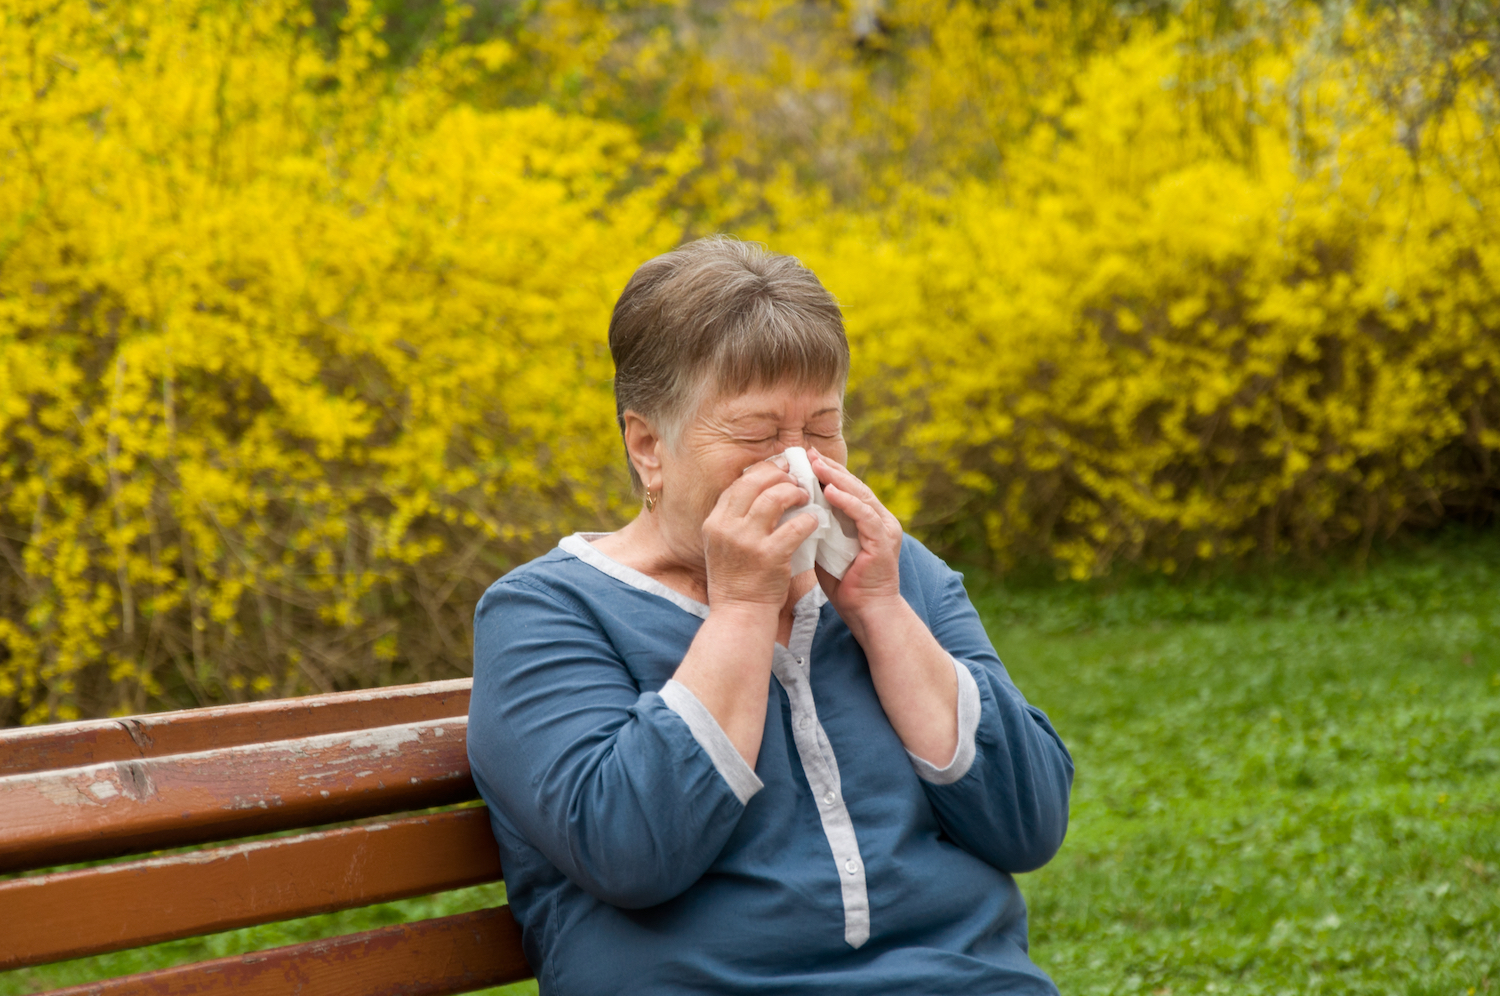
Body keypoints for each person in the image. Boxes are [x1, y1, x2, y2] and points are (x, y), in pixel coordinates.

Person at [467, 237, 1074, 995]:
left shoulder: (895, 572)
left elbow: (1030, 822)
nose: (797, 467)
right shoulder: (545, 613)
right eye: (757, 435)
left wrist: (881, 610)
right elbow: (629, 852)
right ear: (648, 445)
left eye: (821, 431)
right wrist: (745, 607)